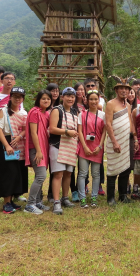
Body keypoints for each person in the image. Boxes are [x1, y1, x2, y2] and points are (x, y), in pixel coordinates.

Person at [0, 72, 22, 206]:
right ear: (1, 80)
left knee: (13, 167)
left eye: (12, 79)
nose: (9, 81)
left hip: (15, 138)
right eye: (7, 78)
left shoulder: (18, 98)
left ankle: (15, 193)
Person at [0, 87, 28, 214]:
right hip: (7, 143)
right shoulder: (3, 111)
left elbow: (25, 128)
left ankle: (11, 200)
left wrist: (20, 136)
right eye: (15, 96)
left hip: (19, 144)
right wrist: (6, 145)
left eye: (20, 97)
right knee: (8, 173)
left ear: (23, 99)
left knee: (17, 173)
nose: (17, 99)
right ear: (10, 97)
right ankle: (6, 202)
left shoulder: (24, 113)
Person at [49, 87, 79, 215]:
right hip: (58, 145)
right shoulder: (57, 110)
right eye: (68, 96)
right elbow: (52, 129)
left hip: (70, 147)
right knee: (58, 174)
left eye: (72, 96)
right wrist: (67, 131)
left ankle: (65, 198)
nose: (70, 98)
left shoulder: (74, 112)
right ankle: (56, 202)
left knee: (68, 174)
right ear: (62, 97)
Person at [105, 76, 134, 205]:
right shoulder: (111, 103)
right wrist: (114, 142)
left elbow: (130, 123)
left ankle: (122, 195)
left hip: (126, 141)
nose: (124, 91)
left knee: (125, 169)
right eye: (121, 89)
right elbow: (108, 124)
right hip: (114, 140)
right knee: (112, 169)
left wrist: (136, 139)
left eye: (126, 89)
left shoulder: (128, 105)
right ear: (116, 90)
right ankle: (110, 197)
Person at [25, 90, 53, 214]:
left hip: (44, 148)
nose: (46, 101)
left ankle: (37, 202)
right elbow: (33, 133)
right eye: (43, 99)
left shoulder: (46, 114)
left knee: (39, 175)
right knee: (41, 175)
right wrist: (38, 150)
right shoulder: (34, 112)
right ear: (38, 100)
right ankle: (30, 204)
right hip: (36, 149)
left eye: (48, 99)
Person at [77, 90, 106, 208]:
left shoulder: (103, 115)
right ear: (87, 101)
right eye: (91, 99)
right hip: (84, 147)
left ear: (99, 100)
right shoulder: (82, 114)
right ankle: (82, 198)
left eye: (96, 99)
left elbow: (104, 132)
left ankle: (94, 197)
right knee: (82, 173)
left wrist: (100, 146)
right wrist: (84, 146)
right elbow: (79, 131)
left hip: (97, 149)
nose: (93, 101)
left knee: (96, 174)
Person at [83, 78, 106, 196]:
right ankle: (85, 186)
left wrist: (101, 144)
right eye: (88, 86)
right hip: (84, 142)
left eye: (93, 85)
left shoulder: (100, 101)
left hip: (97, 139)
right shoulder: (82, 105)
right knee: (83, 168)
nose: (91, 87)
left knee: (98, 166)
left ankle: (98, 186)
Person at [70, 82, 87, 202]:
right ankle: (74, 190)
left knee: (83, 167)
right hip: (73, 138)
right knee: (71, 166)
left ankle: (82, 187)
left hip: (85, 139)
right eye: (78, 90)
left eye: (82, 90)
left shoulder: (87, 106)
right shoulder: (72, 106)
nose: (80, 92)